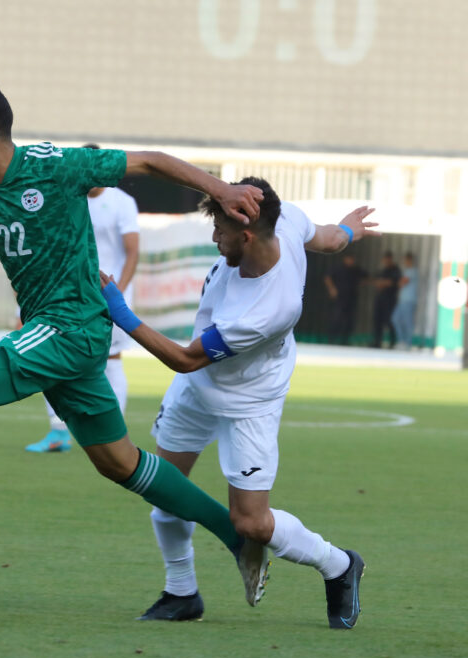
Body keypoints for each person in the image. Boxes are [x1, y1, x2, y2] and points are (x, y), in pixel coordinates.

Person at [0, 84, 271, 608]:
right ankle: (235, 534)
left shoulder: (55, 165)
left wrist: (220, 189)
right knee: (119, 463)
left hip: (73, 325)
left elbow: (151, 161)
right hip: (61, 333)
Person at [99, 177, 376, 628]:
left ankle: (340, 565)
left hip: (249, 401)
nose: (214, 238)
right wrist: (346, 231)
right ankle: (181, 592)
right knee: (166, 488)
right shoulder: (281, 218)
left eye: (220, 232)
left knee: (251, 524)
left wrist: (121, 312)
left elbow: (185, 359)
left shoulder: (269, 308)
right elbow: (324, 237)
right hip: (199, 387)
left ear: (247, 235)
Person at [26, 143, 140, 453]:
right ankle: (58, 432)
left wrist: (118, 294)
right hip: (69, 295)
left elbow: (132, 252)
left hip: (108, 295)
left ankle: (114, 434)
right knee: (52, 356)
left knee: (111, 360)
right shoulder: (65, 198)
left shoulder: (122, 202)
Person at [323, 253, 366, 345]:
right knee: (336, 318)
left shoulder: (355, 270)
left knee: (349, 320)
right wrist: (332, 289)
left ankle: (345, 340)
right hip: (339, 298)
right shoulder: (338, 268)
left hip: (351, 298)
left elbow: (366, 278)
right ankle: (331, 339)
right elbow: (327, 277)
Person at [371, 251, 402, 348]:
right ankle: (377, 342)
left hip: (389, 299)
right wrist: (381, 283)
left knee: (390, 321)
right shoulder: (382, 270)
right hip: (380, 298)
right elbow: (375, 282)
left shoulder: (395, 270)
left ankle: (392, 343)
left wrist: (382, 283)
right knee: (377, 321)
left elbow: (392, 282)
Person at [391, 252, 417, 349]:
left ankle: (408, 343)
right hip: (402, 300)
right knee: (395, 319)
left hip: (409, 300)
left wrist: (399, 282)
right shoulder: (406, 271)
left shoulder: (412, 271)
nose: (405, 262)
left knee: (407, 322)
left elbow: (402, 282)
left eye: (406, 260)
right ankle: (401, 341)